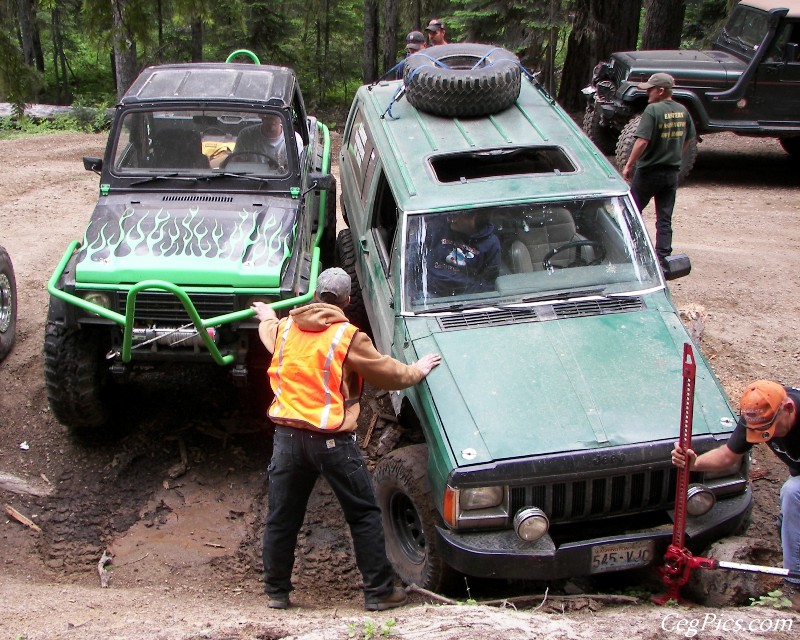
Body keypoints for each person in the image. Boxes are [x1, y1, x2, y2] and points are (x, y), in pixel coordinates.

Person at [251, 268, 441, 611]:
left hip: (287, 440)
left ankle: (276, 591)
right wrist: (417, 370)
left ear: (314, 295)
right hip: (331, 443)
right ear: (346, 301)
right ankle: (379, 593)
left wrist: (267, 315)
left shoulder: (287, 328)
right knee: (364, 514)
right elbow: (387, 371)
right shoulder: (346, 337)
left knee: (282, 516)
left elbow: (270, 332)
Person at [671, 380, 800, 611]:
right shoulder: (760, 410)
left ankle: (795, 582)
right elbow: (728, 455)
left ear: (788, 408)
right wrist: (695, 463)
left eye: (768, 430)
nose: (763, 435)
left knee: (793, 493)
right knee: (790, 517)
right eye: (758, 432)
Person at [621, 73, 696, 269]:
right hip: (672, 173)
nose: (647, 93)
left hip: (649, 171)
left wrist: (629, 164)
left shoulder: (653, 110)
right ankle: (663, 258)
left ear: (661, 91)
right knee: (664, 216)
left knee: (631, 211)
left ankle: (631, 250)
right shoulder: (683, 111)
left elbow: (642, 141)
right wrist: (676, 155)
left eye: (650, 89)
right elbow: (688, 139)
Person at [423, 210, 501, 297]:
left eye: (456, 216)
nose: (451, 219)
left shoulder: (490, 244)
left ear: (474, 218)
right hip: (429, 292)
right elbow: (416, 262)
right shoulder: (437, 228)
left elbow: (488, 284)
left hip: (467, 298)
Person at [232, 114, 302, 170]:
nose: (271, 119)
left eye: (274, 114)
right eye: (267, 115)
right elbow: (236, 164)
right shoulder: (246, 135)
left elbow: (294, 173)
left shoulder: (293, 140)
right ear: (260, 115)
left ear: (281, 117)